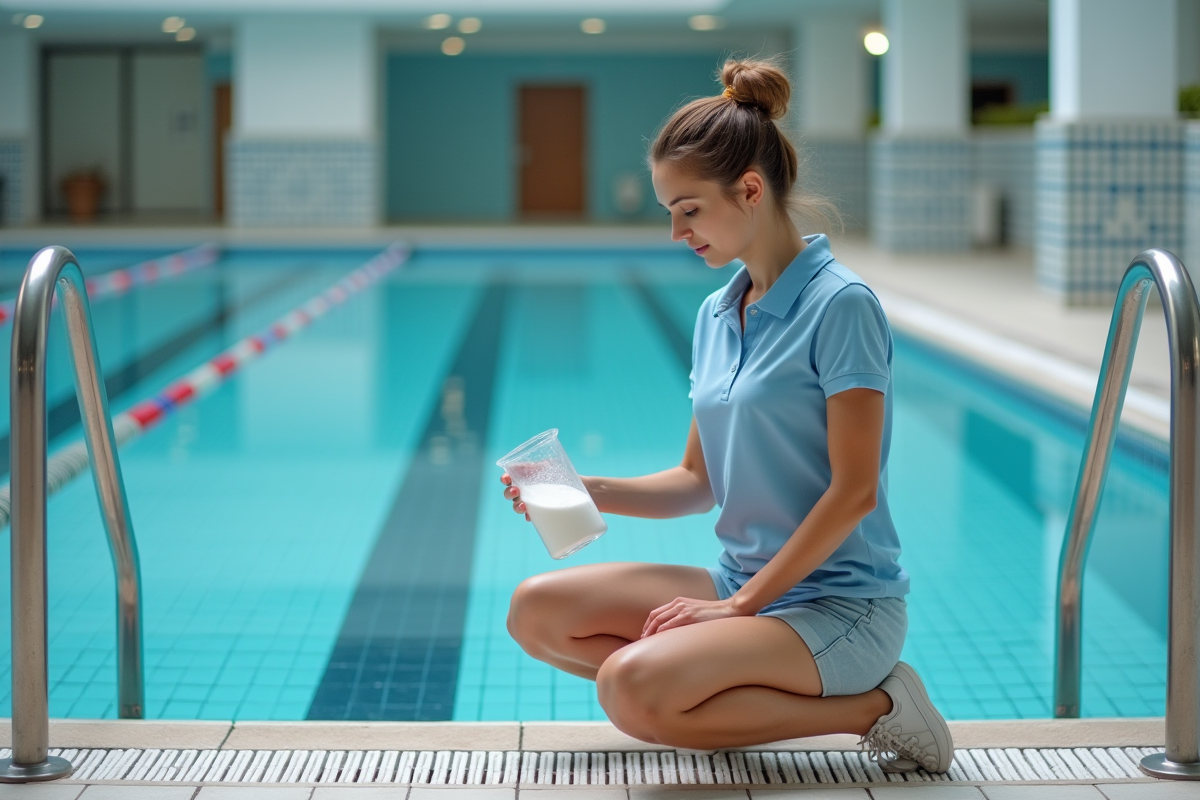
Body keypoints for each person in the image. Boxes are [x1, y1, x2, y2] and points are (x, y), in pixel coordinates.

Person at [500, 57, 953, 774]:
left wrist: (737, 608)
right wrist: (589, 490)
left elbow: (855, 492)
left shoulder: (842, 306)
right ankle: (707, 691)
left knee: (631, 688)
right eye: (669, 213)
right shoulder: (718, 313)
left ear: (749, 190)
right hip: (738, 583)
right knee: (535, 611)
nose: (677, 234)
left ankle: (880, 706)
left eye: (689, 211)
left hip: (839, 607)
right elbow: (693, 481)